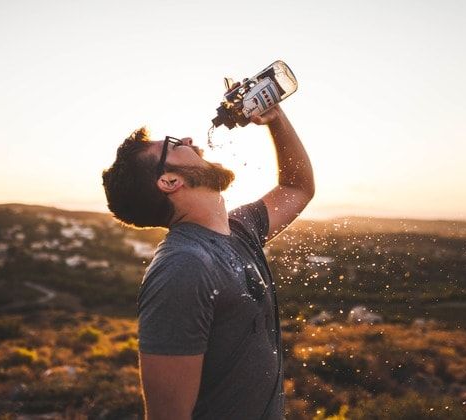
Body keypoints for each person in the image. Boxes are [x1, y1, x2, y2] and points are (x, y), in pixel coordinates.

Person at [101, 105, 314, 419]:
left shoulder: (240, 230)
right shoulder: (183, 268)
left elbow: (297, 186)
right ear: (170, 181)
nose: (187, 139)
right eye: (174, 145)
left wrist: (276, 118)